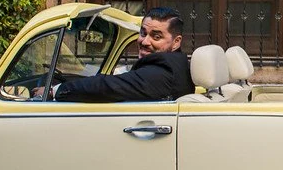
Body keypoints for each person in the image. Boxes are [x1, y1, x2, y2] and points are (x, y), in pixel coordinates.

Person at [52, 7, 194, 102]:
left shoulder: (163, 71)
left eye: (156, 37)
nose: (144, 42)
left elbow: (108, 86)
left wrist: (57, 90)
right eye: (143, 33)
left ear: (176, 42)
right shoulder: (176, 64)